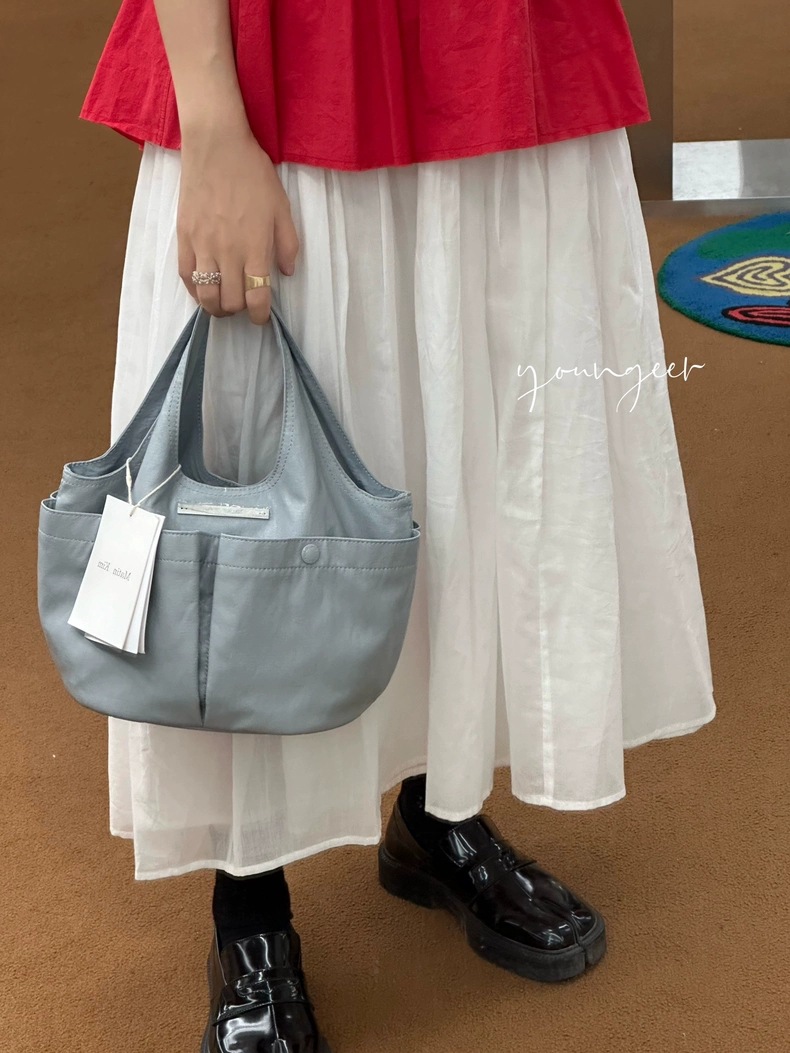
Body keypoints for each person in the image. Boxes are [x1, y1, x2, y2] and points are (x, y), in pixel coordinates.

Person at [78, 1, 716, 1049]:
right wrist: (214, 120)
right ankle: (248, 909)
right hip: (292, 49)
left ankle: (438, 807)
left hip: (495, 38)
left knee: (467, 437)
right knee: (249, 480)